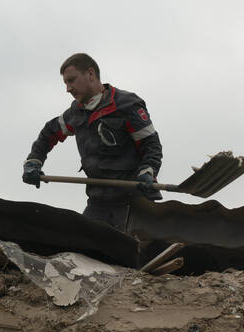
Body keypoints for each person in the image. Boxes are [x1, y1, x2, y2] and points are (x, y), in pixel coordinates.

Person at [22, 53, 163, 229]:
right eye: (65, 83)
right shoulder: (76, 113)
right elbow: (49, 132)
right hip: (98, 202)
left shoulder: (126, 105)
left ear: (90, 74)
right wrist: (33, 162)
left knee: (127, 252)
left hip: (134, 200)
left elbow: (151, 145)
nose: (68, 88)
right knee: (81, 246)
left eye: (71, 80)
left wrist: (148, 171)